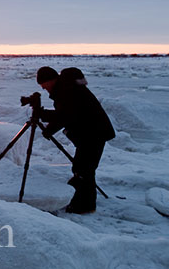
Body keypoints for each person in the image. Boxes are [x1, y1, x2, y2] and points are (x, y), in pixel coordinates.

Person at [36, 66, 115, 214]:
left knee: (85, 170)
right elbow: (67, 114)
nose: (43, 88)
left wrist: (44, 116)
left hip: (93, 133)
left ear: (50, 80)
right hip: (90, 133)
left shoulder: (67, 91)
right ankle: (79, 192)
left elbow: (67, 114)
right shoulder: (66, 89)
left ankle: (85, 206)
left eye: (43, 84)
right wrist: (49, 128)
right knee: (81, 167)